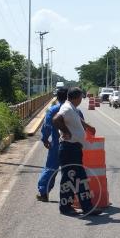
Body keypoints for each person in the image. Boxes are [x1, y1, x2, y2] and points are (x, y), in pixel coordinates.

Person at [53, 87, 102, 216]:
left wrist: (87, 126)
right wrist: (66, 131)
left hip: (73, 148)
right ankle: (74, 208)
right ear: (76, 98)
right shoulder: (67, 108)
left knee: (76, 179)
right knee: (74, 179)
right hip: (69, 148)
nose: (81, 100)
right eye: (81, 97)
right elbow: (56, 119)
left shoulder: (70, 108)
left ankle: (80, 207)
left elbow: (75, 118)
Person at [36, 87, 68, 202]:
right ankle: (76, 196)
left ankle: (43, 192)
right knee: (73, 170)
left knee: (50, 169)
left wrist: (45, 139)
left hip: (56, 145)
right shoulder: (74, 110)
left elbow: (47, 127)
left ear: (57, 97)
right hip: (73, 146)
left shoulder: (53, 110)